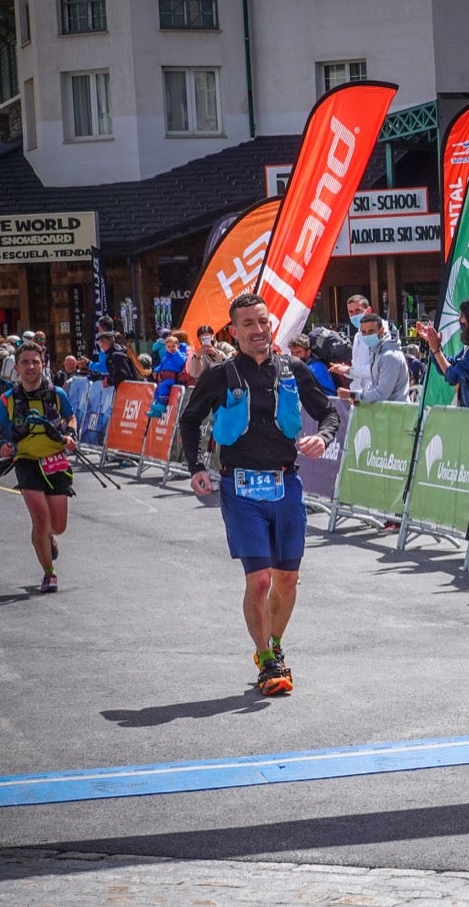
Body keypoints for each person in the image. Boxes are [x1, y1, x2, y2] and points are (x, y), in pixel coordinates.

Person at [178, 293, 341, 697]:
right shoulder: (220, 375)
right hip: (241, 489)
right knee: (259, 579)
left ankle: (274, 646)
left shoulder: (294, 369)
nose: (258, 330)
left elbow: (330, 413)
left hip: (285, 485)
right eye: (248, 324)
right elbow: (191, 418)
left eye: (263, 322)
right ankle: (268, 660)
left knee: (288, 580)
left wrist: (322, 437)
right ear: (234, 331)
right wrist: (197, 467)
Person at [0, 343, 79, 593]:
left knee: (58, 525)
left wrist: (71, 434)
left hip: (55, 460)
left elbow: (70, 417)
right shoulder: (8, 398)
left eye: (35, 362)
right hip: (26, 461)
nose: (30, 367)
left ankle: (48, 536)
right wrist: (1, 445)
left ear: (43, 365)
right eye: (25, 362)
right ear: (16, 368)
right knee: (40, 519)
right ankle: (49, 574)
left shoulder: (57, 393)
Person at [340, 314, 409, 404]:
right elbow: (373, 386)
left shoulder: (390, 356)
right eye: (363, 332)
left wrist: (354, 395)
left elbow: (382, 393)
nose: (367, 335)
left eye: (371, 331)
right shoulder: (375, 351)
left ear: (382, 331)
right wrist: (360, 399)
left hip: (397, 414)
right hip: (384, 412)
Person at [147, 333, 188, 418]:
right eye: (169, 347)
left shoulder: (180, 354)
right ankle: (157, 411)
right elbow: (162, 365)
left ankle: (162, 403)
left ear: (177, 346)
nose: (171, 348)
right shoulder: (166, 356)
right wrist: (156, 370)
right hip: (165, 377)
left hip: (174, 378)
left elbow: (181, 362)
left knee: (163, 386)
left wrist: (177, 352)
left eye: (173, 346)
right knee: (157, 390)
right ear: (165, 347)